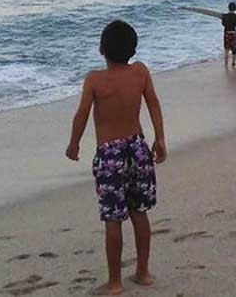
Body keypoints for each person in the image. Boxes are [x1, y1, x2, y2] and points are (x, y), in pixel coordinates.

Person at [65, 20, 167, 296]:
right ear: (133, 49)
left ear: (101, 49)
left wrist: (74, 144)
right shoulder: (141, 72)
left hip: (110, 154)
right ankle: (143, 272)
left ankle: (115, 282)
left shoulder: (95, 80)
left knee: (113, 219)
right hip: (137, 148)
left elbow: (82, 115)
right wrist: (160, 138)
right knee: (139, 212)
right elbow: (154, 103)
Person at [221, 2, 236, 66]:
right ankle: (233, 63)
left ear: (228, 8)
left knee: (226, 49)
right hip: (233, 34)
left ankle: (226, 64)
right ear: (235, 9)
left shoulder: (224, 16)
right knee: (234, 49)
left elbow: (223, 24)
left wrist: (223, 19)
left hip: (227, 34)